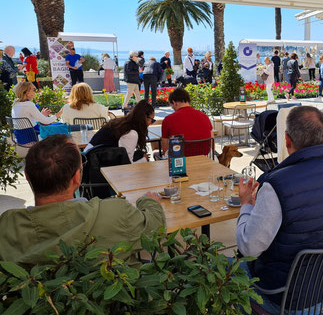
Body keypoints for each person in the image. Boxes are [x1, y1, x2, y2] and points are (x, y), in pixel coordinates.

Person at [235, 106, 323, 315]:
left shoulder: (276, 185)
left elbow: (248, 248)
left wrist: (246, 205)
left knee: (223, 268)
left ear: (287, 141)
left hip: (292, 301)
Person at [0, 134, 165, 266]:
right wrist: (148, 201)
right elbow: (155, 228)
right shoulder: (116, 213)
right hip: (113, 303)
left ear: (27, 176)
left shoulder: (7, 225)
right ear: (77, 177)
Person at [86, 100, 154, 163]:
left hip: (91, 158)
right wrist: (144, 160)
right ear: (145, 118)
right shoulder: (131, 133)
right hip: (95, 164)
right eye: (152, 120)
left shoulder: (121, 123)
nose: (151, 123)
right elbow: (127, 166)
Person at [161, 88, 212, 156]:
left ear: (174, 103)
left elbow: (165, 150)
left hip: (179, 163)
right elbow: (211, 141)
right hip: (204, 158)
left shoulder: (168, 120)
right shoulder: (204, 116)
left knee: (156, 152)